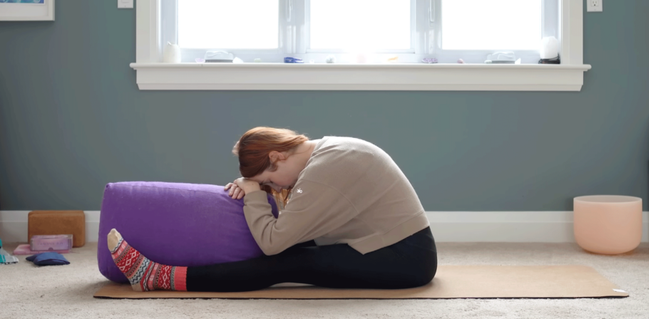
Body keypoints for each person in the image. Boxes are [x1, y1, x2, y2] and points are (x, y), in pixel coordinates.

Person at [107, 126, 437, 292]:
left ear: (277, 157)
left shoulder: (323, 172)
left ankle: (158, 277)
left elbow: (273, 243)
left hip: (404, 258)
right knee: (288, 250)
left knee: (286, 262)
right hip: (384, 242)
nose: (275, 187)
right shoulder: (327, 151)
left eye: (270, 179)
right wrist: (255, 182)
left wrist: (252, 193)